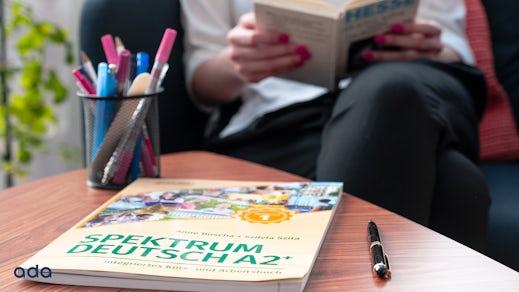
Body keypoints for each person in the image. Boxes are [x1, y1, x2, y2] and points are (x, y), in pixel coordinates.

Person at [179, 0, 491, 252]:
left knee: (387, 91)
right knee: (457, 185)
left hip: (415, 93)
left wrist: (432, 48)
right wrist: (236, 64)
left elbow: (456, 50)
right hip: (287, 120)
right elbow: (201, 81)